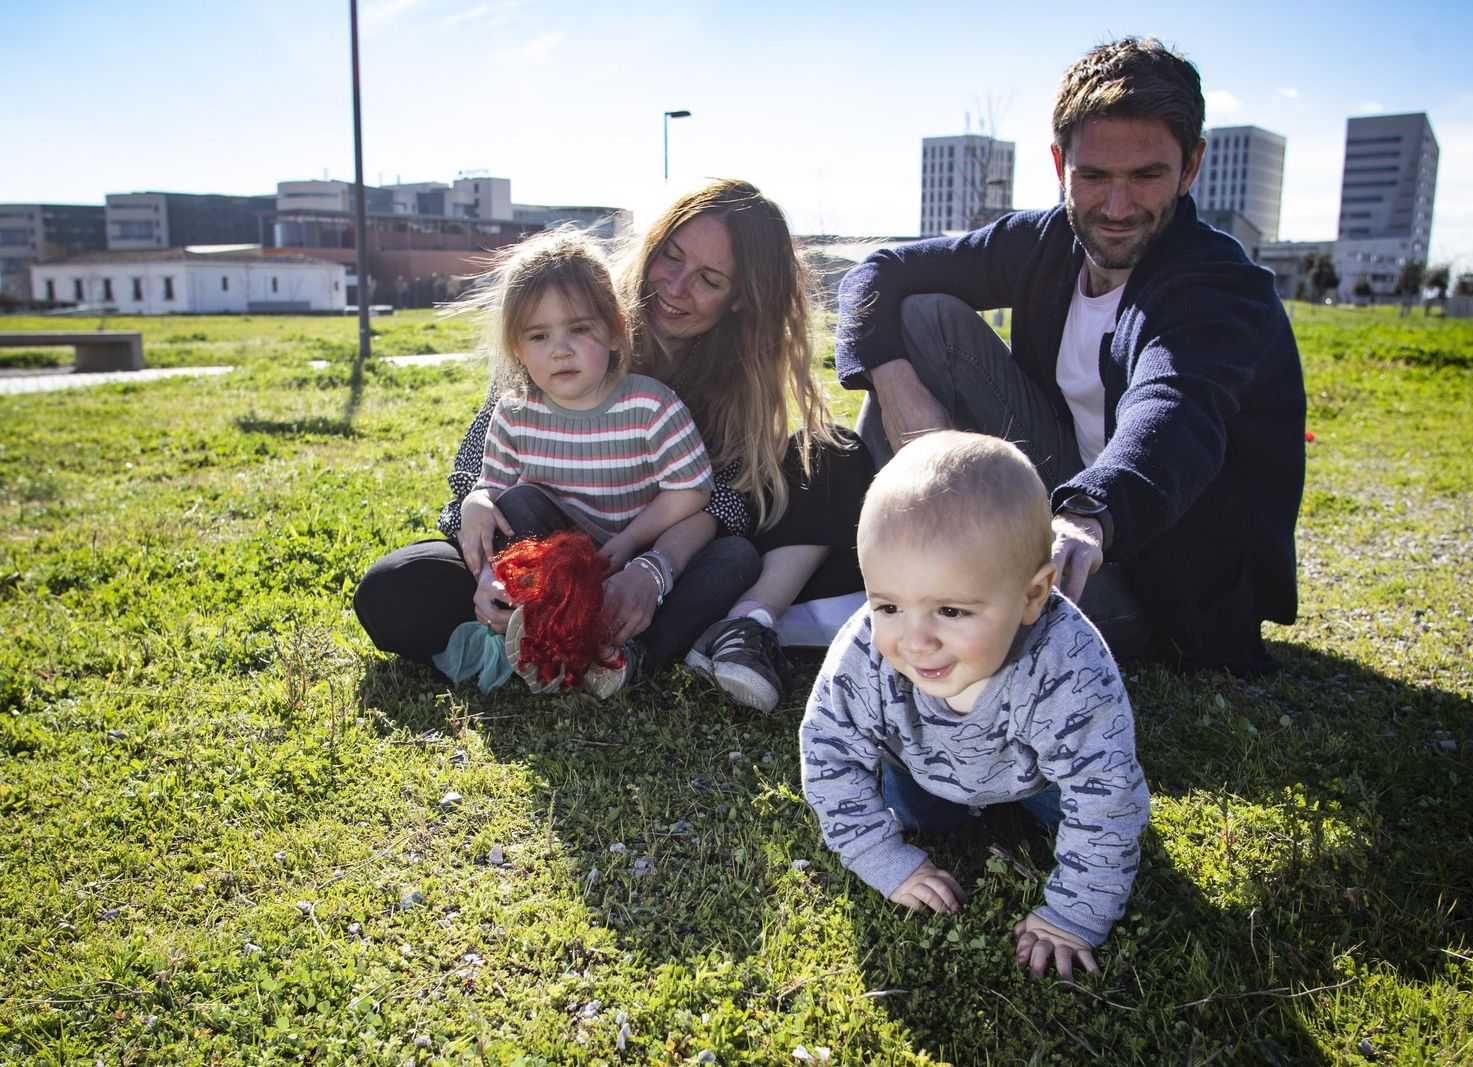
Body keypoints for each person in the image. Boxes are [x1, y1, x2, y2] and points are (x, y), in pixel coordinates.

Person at [835, 37, 1306, 676]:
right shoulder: (1046, 241)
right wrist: (895, 386)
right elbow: (878, 270)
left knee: (1013, 601)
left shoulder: (1217, 288)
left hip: (1152, 571)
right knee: (923, 314)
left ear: (1190, 167)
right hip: (1053, 500)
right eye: (1093, 176)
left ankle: (900, 602)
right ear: (1060, 164)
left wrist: (1088, 515)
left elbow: (1174, 410)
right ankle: (874, 568)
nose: (1116, 208)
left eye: (1146, 176)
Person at [354, 180, 869, 701]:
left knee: (822, 464)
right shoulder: (571, 307)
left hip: (665, 558)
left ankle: (682, 642)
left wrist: (649, 570)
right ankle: (540, 633)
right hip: (546, 549)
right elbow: (482, 471)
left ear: (741, 299)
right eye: (671, 256)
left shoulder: (735, 379)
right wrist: (483, 549)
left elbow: (720, 505)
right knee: (394, 590)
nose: (674, 286)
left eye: (709, 280)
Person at [800, 431, 1149, 980]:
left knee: (1094, 819)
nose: (915, 641)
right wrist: (884, 861)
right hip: (924, 771)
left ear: (1033, 596)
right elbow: (828, 754)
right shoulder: (865, 648)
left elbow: (1105, 796)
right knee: (922, 819)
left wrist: (1074, 916)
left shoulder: (1068, 665)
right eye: (888, 604)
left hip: (1042, 780)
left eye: (952, 611)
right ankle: (946, 804)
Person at [464, 228, 715, 695]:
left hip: (638, 555)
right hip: (561, 564)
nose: (561, 349)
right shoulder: (516, 412)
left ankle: (627, 653)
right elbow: (492, 492)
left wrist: (633, 540)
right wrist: (475, 503)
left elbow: (693, 490)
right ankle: (546, 630)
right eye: (540, 335)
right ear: (518, 349)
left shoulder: (650, 404)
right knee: (518, 504)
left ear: (617, 332)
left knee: (733, 559)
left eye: (579, 329)